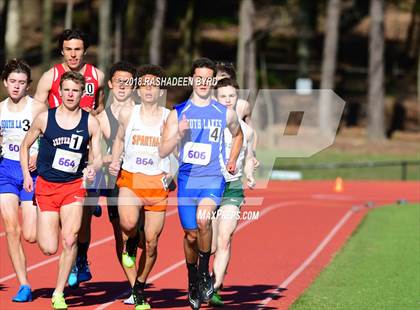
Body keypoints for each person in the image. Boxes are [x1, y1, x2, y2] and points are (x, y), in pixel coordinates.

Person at [159, 58, 243, 309]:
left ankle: (204, 271)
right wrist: (177, 134)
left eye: (209, 79)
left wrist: (232, 159)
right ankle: (192, 278)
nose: (204, 83)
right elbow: (163, 150)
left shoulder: (224, 112)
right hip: (187, 182)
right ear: (192, 80)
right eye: (199, 78)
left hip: (212, 180)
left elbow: (238, 135)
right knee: (190, 235)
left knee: (204, 220)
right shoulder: (178, 112)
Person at [20, 71, 102, 309]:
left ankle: (59, 292)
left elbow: (97, 157)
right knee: (48, 247)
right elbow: (25, 146)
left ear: (82, 93)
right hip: (46, 186)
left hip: (74, 187)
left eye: (75, 90)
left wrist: (92, 169)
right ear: (59, 91)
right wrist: (27, 175)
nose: (70, 94)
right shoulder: (45, 118)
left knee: (69, 239)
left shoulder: (90, 122)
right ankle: (52, 220)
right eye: (66, 89)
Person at [109, 64, 172, 309]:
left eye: (153, 85)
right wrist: (116, 159)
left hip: (157, 184)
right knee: (128, 223)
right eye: (144, 84)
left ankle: (140, 287)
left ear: (160, 90)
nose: (148, 89)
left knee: (153, 243)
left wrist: (172, 171)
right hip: (131, 179)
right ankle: (129, 242)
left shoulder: (169, 117)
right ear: (138, 89)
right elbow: (119, 139)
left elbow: (177, 149)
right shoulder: (128, 113)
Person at [88, 61, 139, 304]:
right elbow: (95, 155)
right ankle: (135, 287)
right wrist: (109, 158)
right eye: (118, 81)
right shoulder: (100, 118)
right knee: (122, 236)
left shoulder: (144, 112)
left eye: (127, 82)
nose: (122, 86)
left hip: (143, 180)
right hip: (115, 183)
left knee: (145, 237)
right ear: (109, 84)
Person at [0, 59, 46, 302]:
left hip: (31, 172)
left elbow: (51, 136)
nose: (16, 86)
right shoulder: (0, 109)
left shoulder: (37, 107)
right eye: (12, 82)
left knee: (30, 235)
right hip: (6, 169)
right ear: (5, 82)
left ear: (28, 85)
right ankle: (24, 285)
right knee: (11, 228)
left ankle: (52, 222)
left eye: (21, 83)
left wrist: (38, 155)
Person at [209, 77, 256, 306]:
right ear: (215, 99)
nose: (228, 100)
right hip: (209, 185)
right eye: (223, 96)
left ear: (237, 98)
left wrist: (250, 175)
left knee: (225, 239)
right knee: (211, 245)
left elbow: (248, 158)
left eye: (232, 96)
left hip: (233, 187)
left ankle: (214, 286)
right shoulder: (208, 123)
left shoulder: (246, 130)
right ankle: (202, 278)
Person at [33, 29, 105, 114]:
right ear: (62, 51)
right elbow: (35, 109)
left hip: (87, 126)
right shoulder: (50, 76)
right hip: (58, 126)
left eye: (77, 49)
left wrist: (94, 113)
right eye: (68, 49)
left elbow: (100, 108)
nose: (73, 54)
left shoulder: (98, 75)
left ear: (84, 51)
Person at [215, 62, 259, 167]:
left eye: (224, 77)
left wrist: (252, 154)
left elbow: (252, 132)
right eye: (217, 77)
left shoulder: (243, 106)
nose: (220, 80)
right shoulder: (207, 104)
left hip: (234, 156)